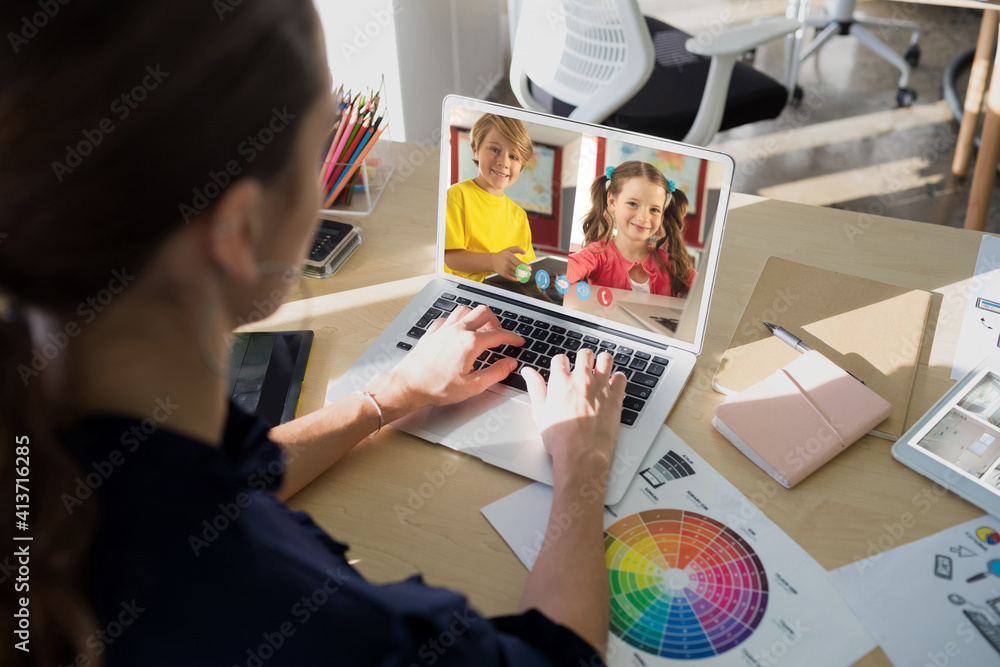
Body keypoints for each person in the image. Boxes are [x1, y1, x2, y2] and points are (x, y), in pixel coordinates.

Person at [0, 2, 626, 666]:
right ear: (238, 231)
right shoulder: (321, 629)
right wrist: (580, 461)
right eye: (322, 140)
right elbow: (559, 658)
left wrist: (389, 395)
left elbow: (202, 487)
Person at [568, 161, 695, 297]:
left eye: (654, 209)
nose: (643, 217)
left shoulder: (670, 264)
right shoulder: (596, 255)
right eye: (633, 204)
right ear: (612, 202)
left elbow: (706, 290)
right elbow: (568, 270)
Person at [443, 114, 537, 283]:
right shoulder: (457, 195)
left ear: (521, 167)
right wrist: (494, 262)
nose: (503, 162)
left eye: (513, 157)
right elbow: (450, 258)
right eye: (495, 150)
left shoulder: (520, 216)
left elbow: (525, 268)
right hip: (466, 290)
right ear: (475, 150)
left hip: (507, 293)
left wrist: (542, 277)